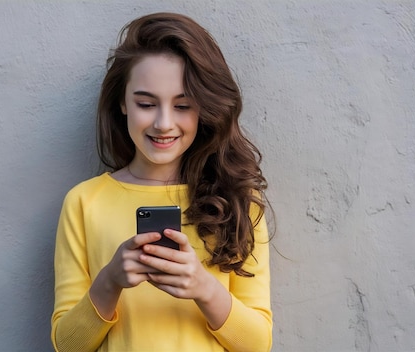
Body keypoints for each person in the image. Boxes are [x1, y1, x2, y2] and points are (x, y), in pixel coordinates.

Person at [51, 12, 273, 352]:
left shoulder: (239, 201)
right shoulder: (84, 202)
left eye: (183, 105)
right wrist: (110, 280)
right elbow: (67, 345)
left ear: (205, 109)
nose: (164, 123)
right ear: (122, 103)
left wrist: (203, 286)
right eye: (145, 103)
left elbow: (258, 344)